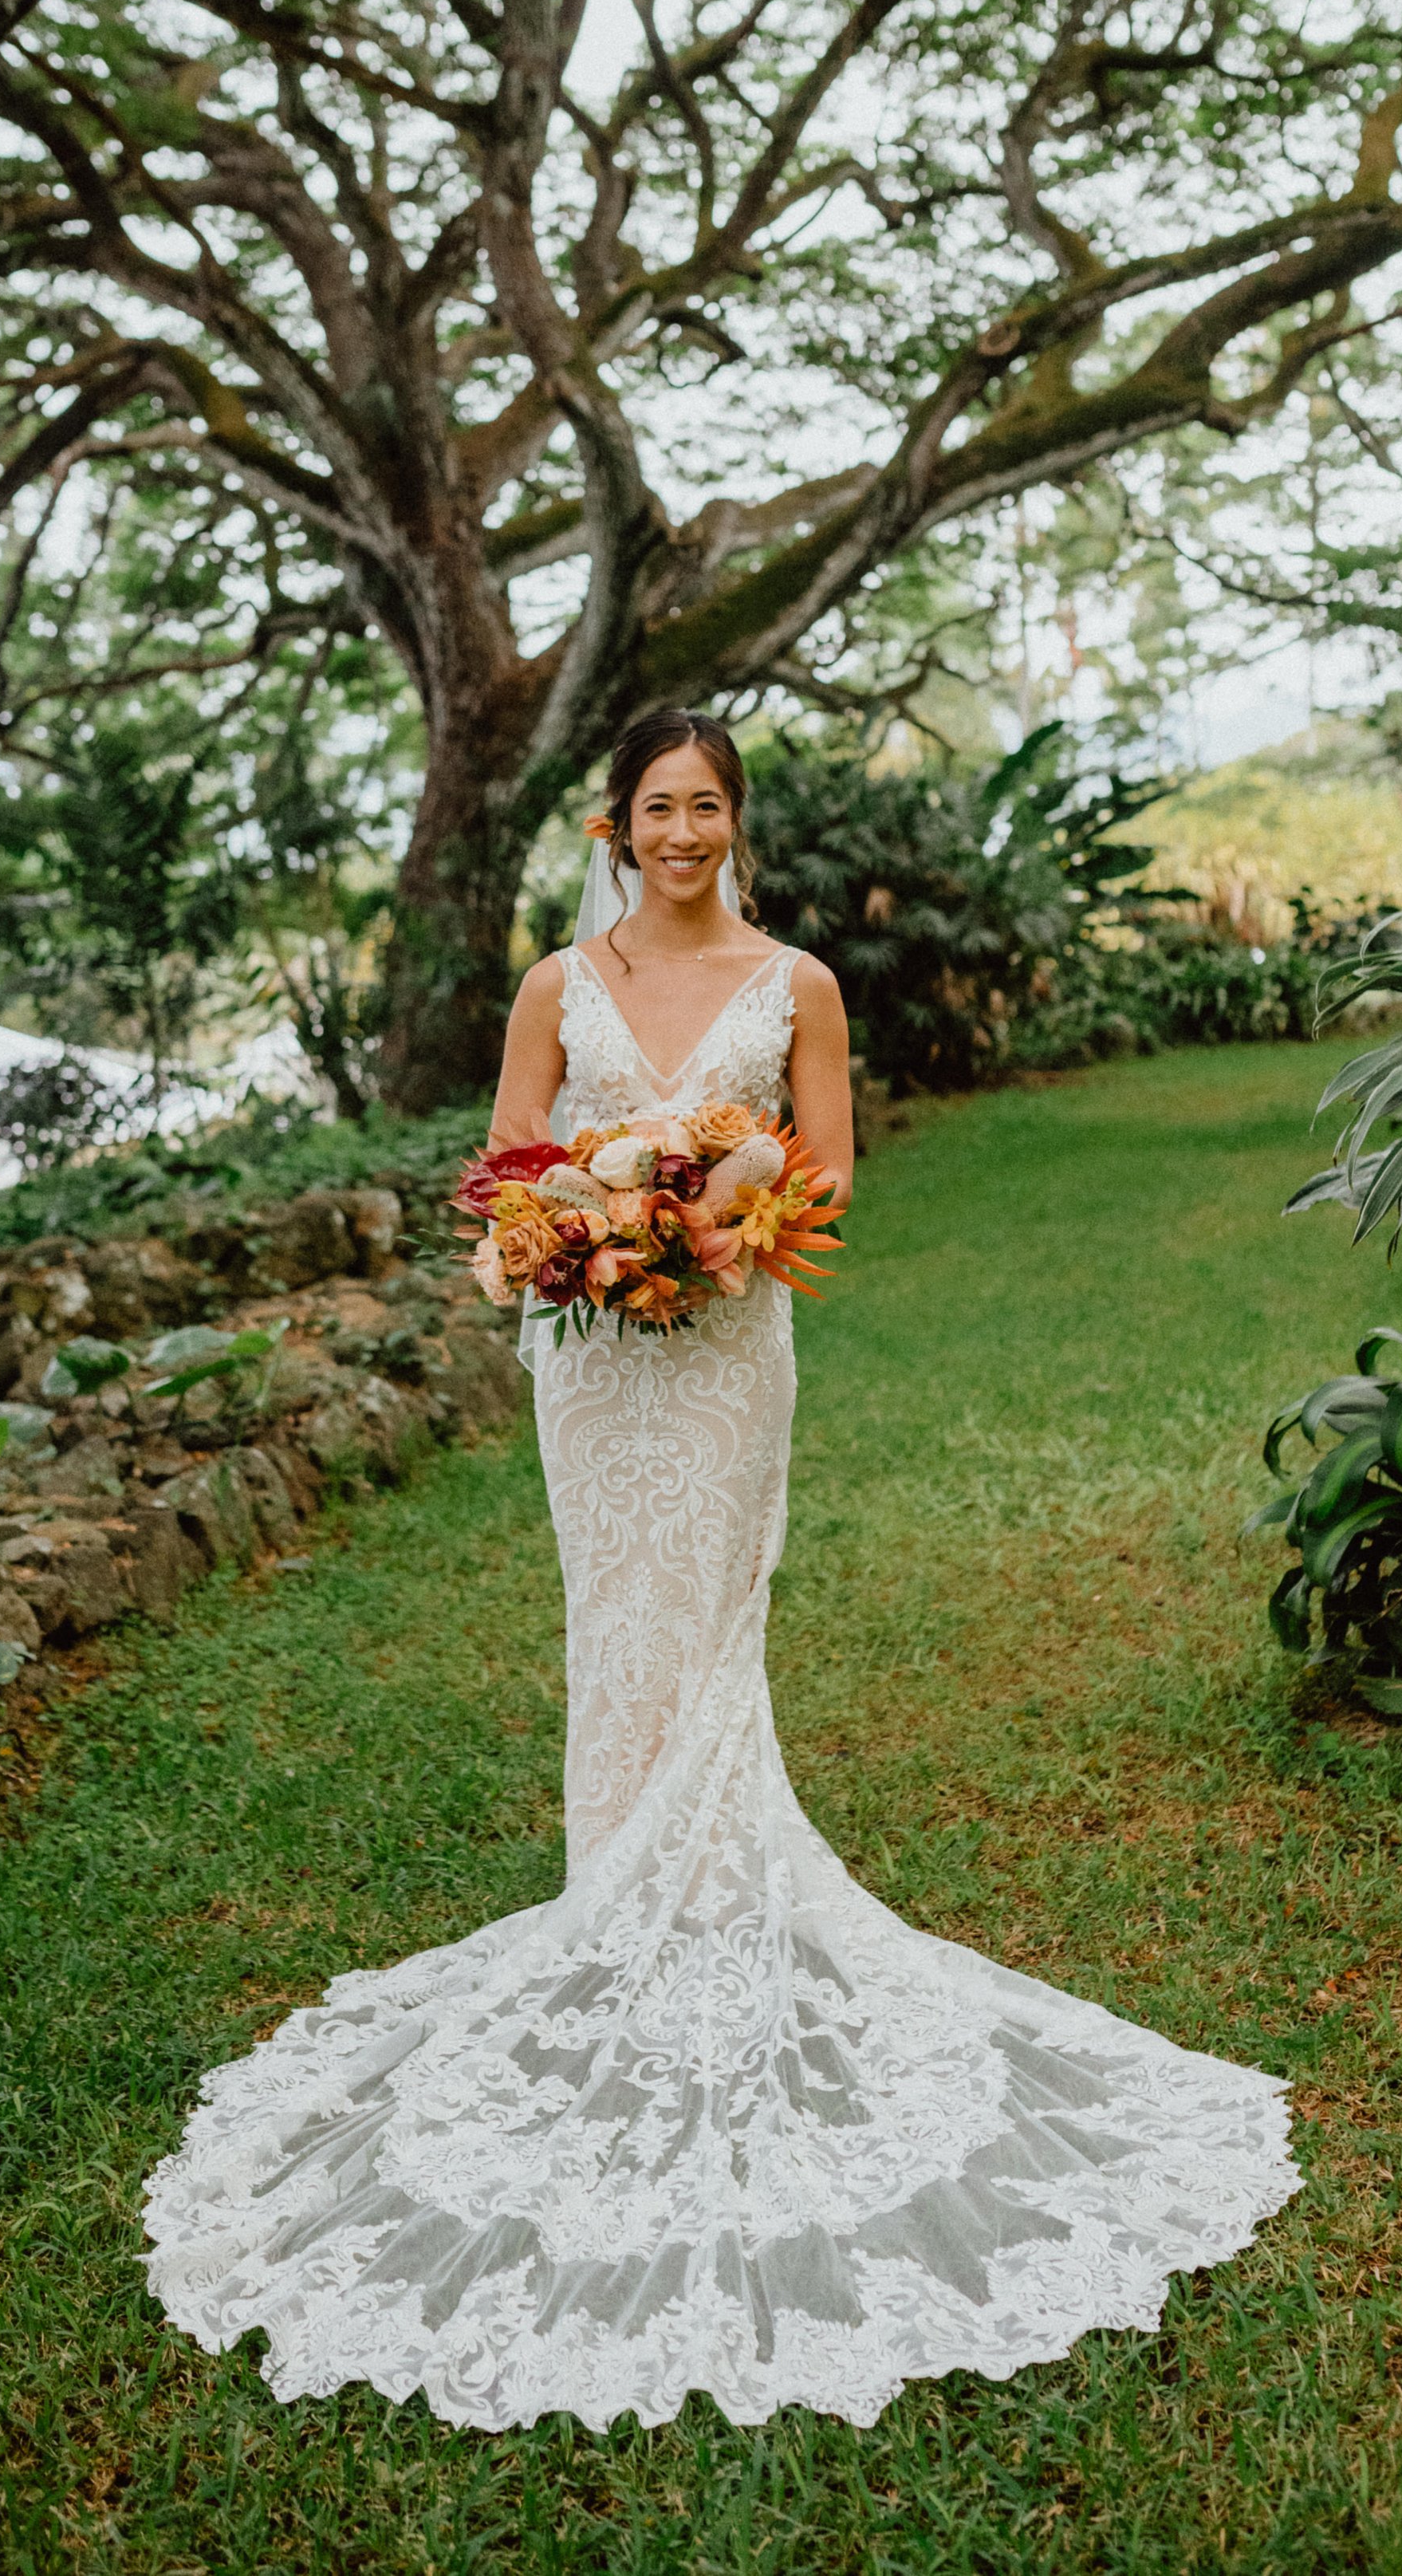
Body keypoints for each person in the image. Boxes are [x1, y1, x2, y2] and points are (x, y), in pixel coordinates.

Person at [143, 709, 1298, 2432]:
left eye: (706, 807)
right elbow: (506, 1165)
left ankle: (701, 1904)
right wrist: (587, 1231)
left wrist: (713, 1212)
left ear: (732, 824)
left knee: (709, 1623)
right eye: (654, 808)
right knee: (614, 1621)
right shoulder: (557, 979)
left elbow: (828, 1170)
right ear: (614, 824)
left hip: (730, 1351)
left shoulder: (799, 983)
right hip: (593, 1363)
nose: (679, 831)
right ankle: (615, 1907)